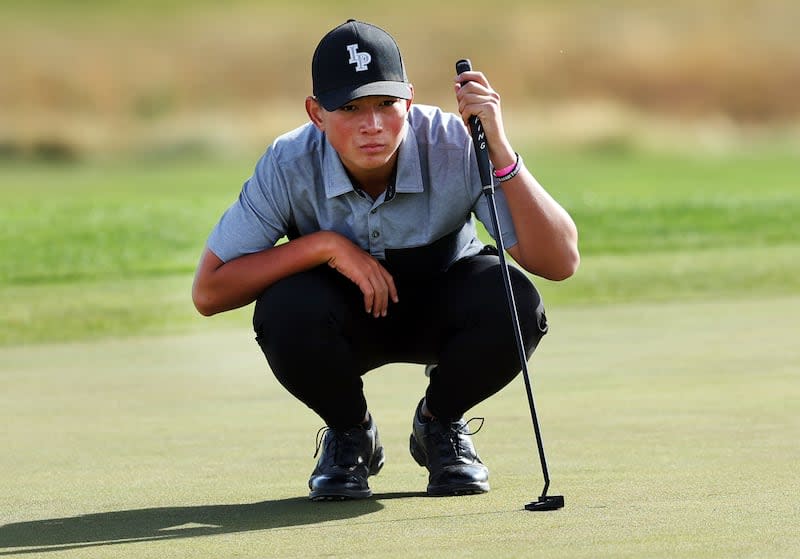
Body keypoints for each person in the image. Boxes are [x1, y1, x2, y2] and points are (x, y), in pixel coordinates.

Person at [192, 19, 579, 501]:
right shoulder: (288, 162)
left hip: (443, 308)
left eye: (386, 104)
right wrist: (324, 246)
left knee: (515, 300)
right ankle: (350, 434)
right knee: (285, 307)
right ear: (316, 113)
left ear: (409, 101)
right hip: (342, 322)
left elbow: (559, 261)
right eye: (350, 108)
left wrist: (497, 146)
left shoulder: (458, 143)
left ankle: (439, 426)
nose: (372, 125)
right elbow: (209, 292)